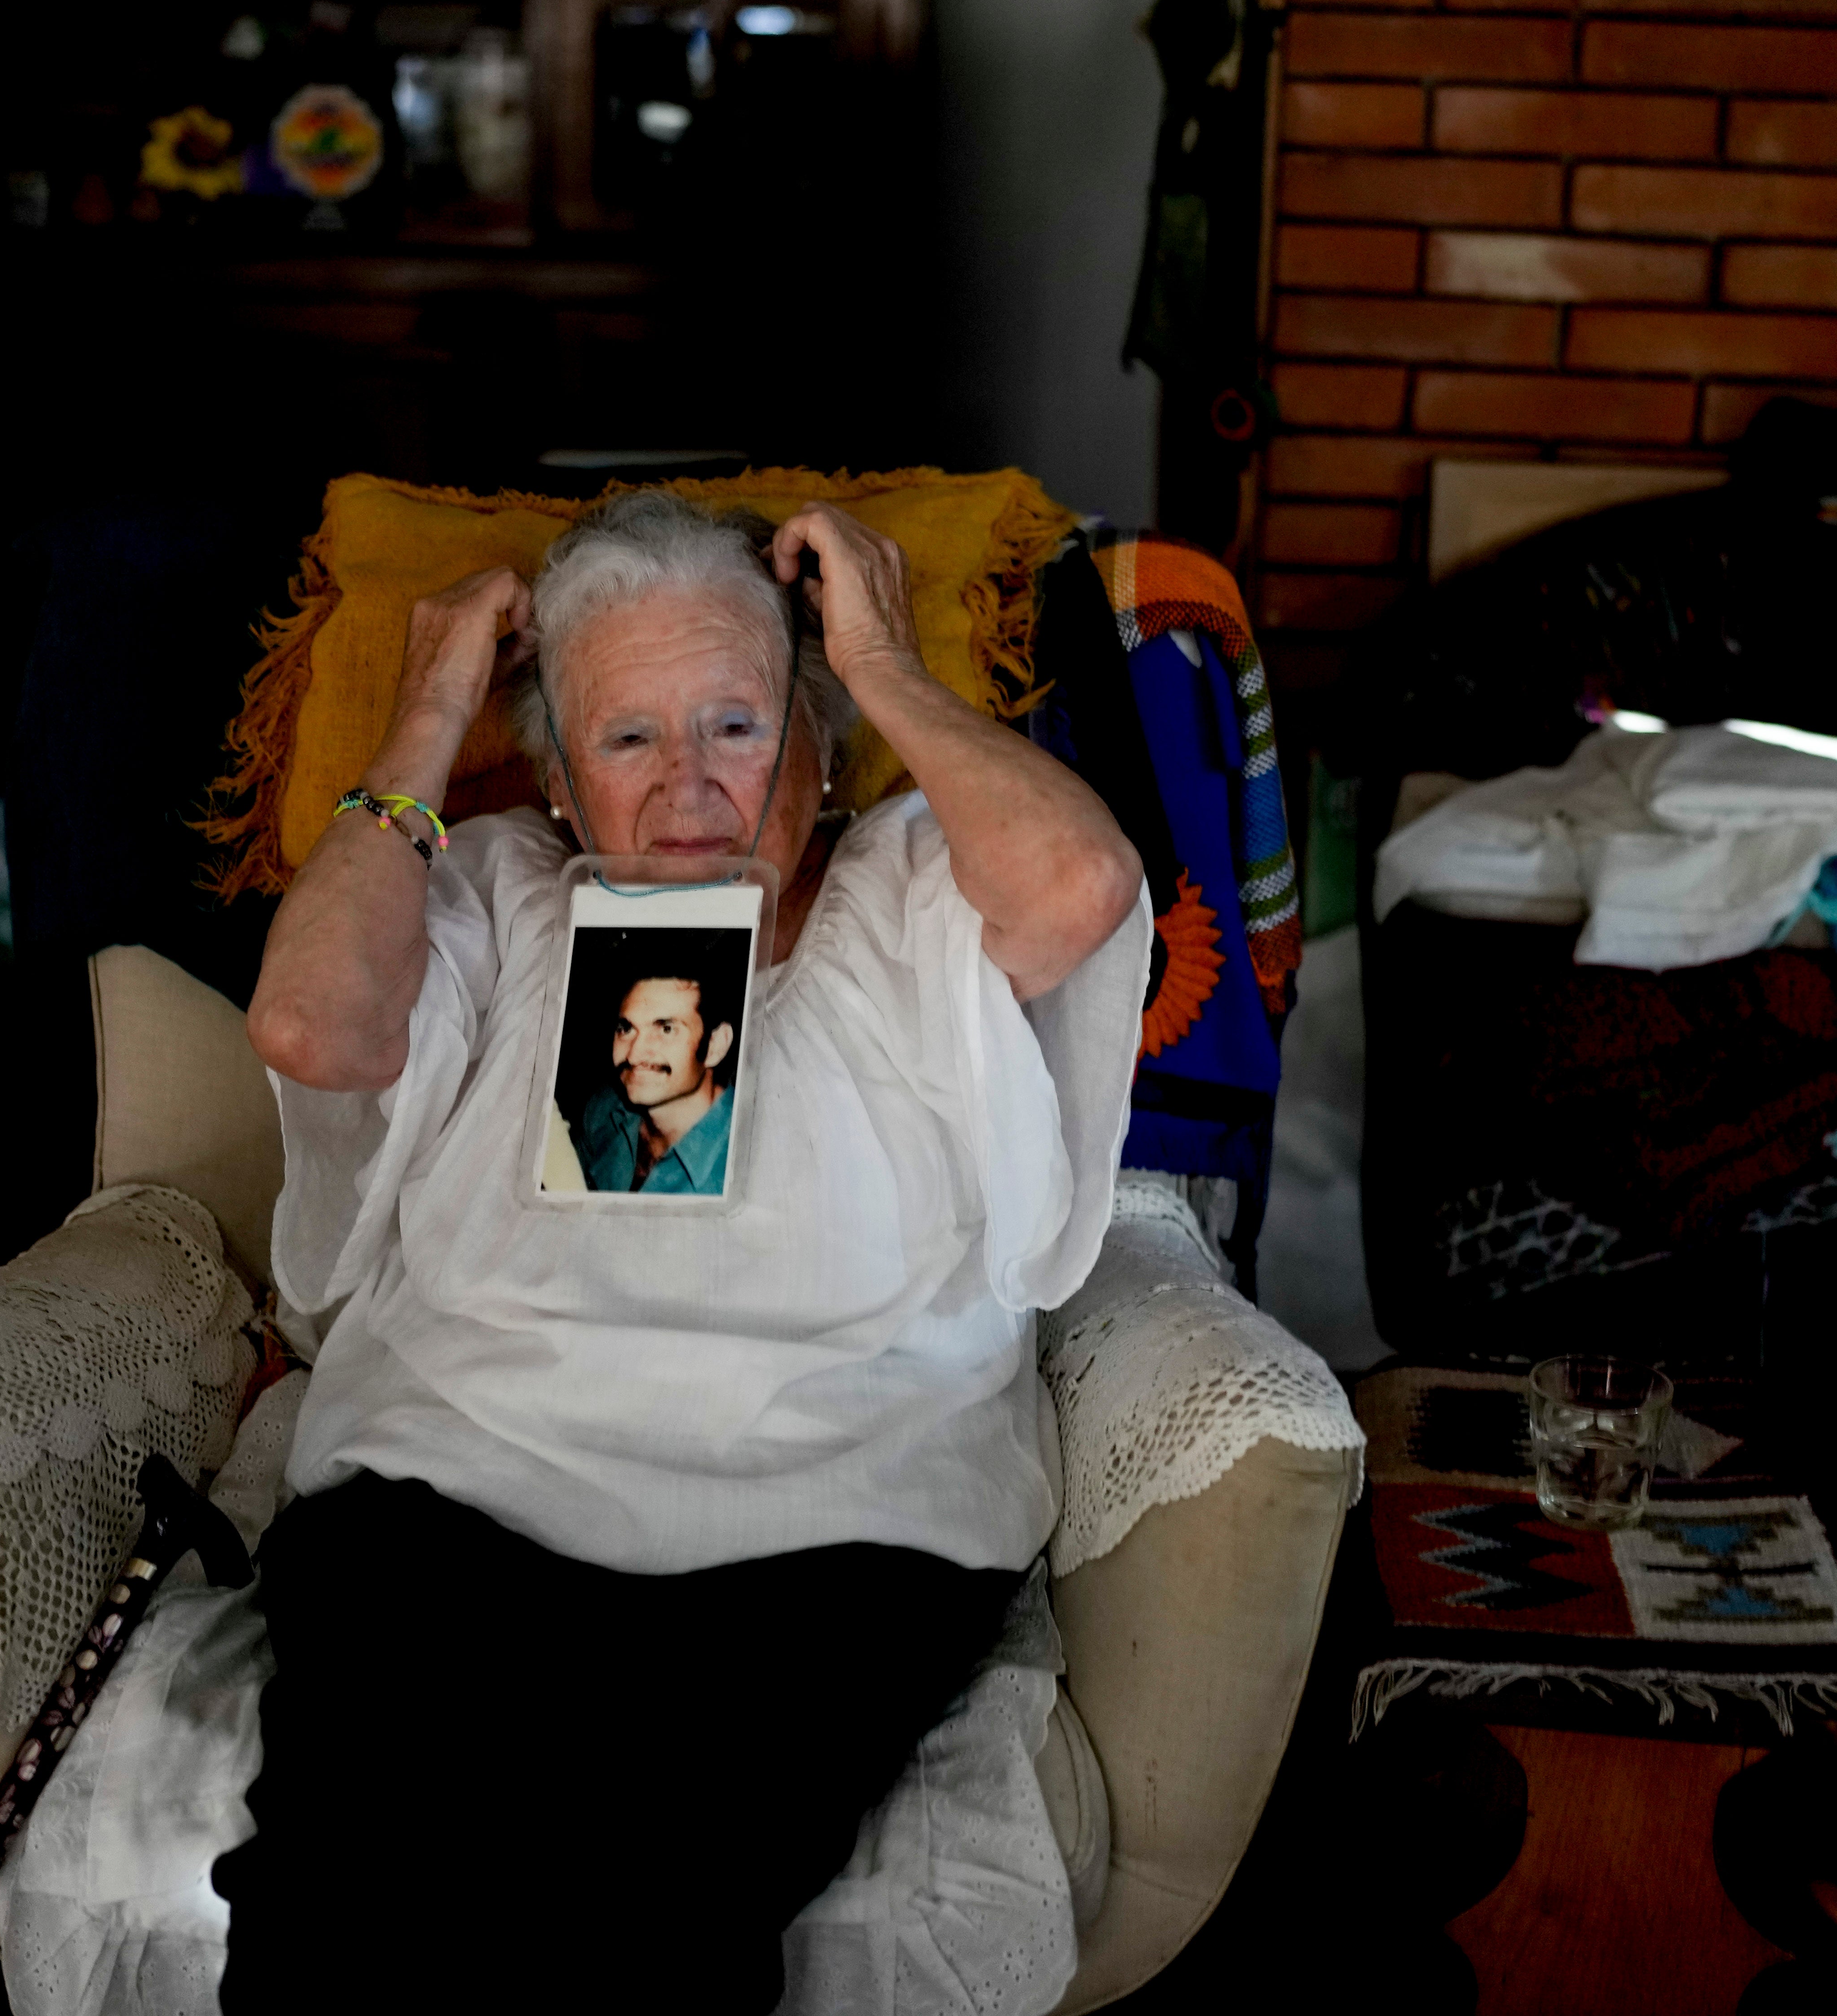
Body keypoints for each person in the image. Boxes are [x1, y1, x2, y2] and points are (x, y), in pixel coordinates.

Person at [226, 488, 1148, 2010]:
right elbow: (310, 1027)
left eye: (735, 724)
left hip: (828, 1519)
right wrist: (432, 709)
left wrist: (881, 660)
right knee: (335, 1896)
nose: (688, 790)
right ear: (562, 782)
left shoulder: (918, 888)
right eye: (628, 738)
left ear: (817, 745)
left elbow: (1083, 888)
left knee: (649, 1919)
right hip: (459, 1496)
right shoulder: (496, 890)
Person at [570, 944, 740, 1194]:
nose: (634, 1055)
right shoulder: (605, 1110)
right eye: (626, 1029)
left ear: (715, 1045)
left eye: (666, 1029)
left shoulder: (743, 1164)